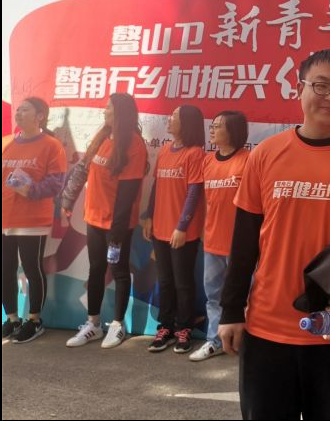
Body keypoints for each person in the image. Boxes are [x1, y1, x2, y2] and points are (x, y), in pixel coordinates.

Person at [219, 49, 330, 420]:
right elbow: (244, 241)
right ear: (299, 88)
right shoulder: (266, 154)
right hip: (267, 331)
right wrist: (231, 310)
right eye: (321, 85)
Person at [62, 93, 148, 349]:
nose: (104, 111)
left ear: (120, 112)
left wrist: (117, 234)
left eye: (108, 107)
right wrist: (67, 202)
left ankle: (118, 324)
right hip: (94, 219)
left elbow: (128, 194)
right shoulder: (102, 137)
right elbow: (82, 170)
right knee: (96, 269)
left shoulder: (134, 144)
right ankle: (93, 324)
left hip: (117, 224)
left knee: (119, 272)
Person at [142, 105, 206, 354]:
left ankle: (184, 327)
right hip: (159, 228)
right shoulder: (165, 150)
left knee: (183, 282)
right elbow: (156, 186)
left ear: (187, 123)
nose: (169, 120)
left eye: (175, 117)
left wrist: (181, 226)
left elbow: (194, 193)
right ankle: (165, 327)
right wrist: (149, 217)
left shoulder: (195, 153)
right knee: (165, 281)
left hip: (183, 232)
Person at [2, 97, 66, 343]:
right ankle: (12, 319)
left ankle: (35, 320)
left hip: (32, 220)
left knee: (32, 268)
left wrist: (31, 190)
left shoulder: (51, 145)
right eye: (18, 109)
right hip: (5, 218)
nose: (18, 113)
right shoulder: (7, 143)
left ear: (40, 116)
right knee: (5, 268)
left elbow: (56, 183)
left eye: (25, 109)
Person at [189, 110, 249, 362]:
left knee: (246, 297)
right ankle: (214, 341)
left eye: (218, 126)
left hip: (241, 247)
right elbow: (205, 202)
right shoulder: (207, 161)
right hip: (212, 243)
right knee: (214, 297)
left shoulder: (248, 160)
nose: (212, 130)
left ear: (233, 130)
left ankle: (247, 343)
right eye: (212, 125)